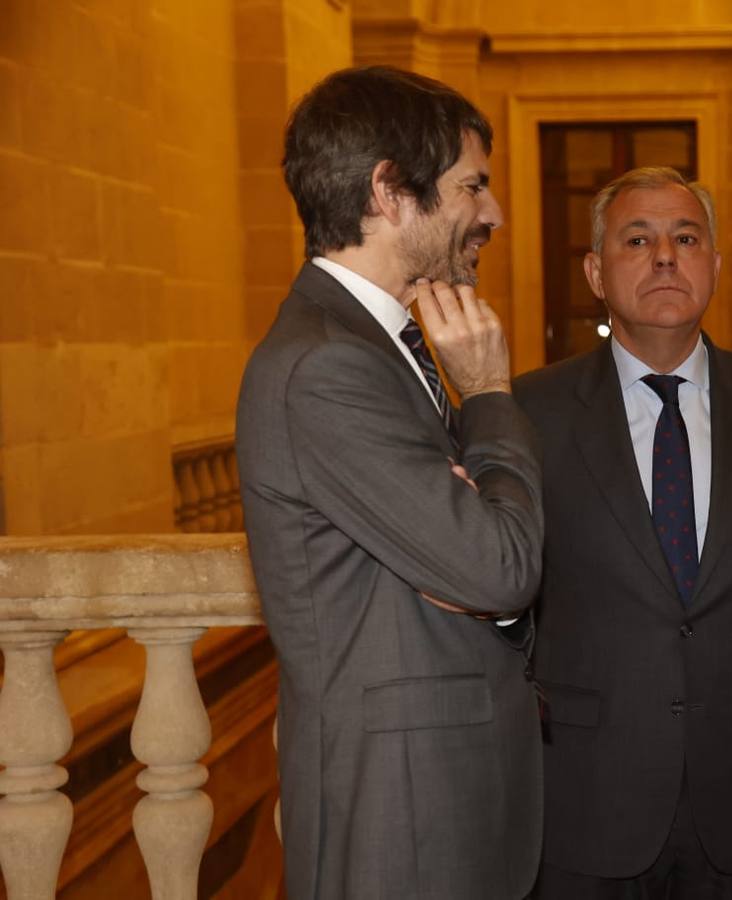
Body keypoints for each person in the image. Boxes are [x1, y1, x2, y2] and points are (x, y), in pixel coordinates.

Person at [236, 66, 545, 899]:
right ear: (389, 191)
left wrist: (479, 566)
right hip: (400, 818)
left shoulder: (377, 346)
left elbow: (479, 570)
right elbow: (499, 564)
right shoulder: (327, 364)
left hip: (438, 796)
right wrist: (486, 394)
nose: (493, 213)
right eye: (471, 186)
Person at [514, 166, 732, 898]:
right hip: (587, 793)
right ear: (597, 272)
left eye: (685, 237)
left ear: (714, 266)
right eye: (638, 239)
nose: (665, 256)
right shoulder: (530, 412)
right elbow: (514, 592)